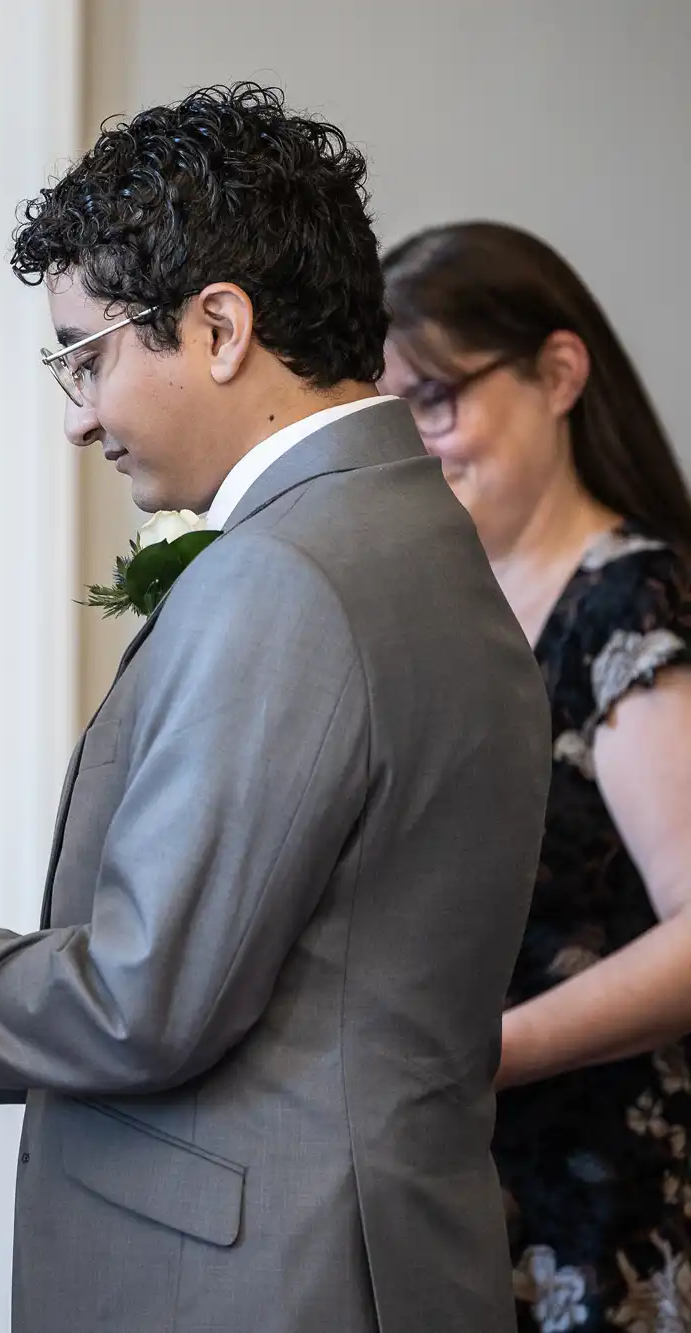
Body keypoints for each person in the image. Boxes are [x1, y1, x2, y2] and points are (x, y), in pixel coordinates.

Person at [0, 83, 549, 1331]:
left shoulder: (287, 575)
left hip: (269, 1277)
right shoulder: (402, 535)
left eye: (85, 356)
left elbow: (139, 1005)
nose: (75, 418)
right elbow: (280, 975)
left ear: (217, 326)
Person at [381, 222, 691, 1333]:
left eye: (435, 399)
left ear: (556, 374)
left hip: (599, 1204)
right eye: (390, 413)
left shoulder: (625, 603)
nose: (415, 444)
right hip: (465, 1186)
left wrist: (481, 1053)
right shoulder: (448, 616)